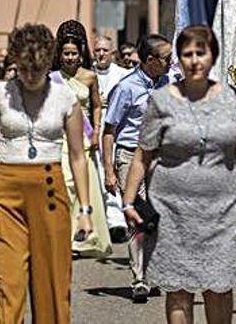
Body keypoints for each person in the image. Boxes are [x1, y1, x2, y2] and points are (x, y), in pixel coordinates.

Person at [121, 25, 236, 324]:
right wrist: (127, 202)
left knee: (219, 286)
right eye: (187, 54)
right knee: (178, 289)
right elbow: (143, 154)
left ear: (212, 56)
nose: (194, 60)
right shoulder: (161, 100)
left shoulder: (231, 98)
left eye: (200, 53)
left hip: (220, 210)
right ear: (179, 59)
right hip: (172, 209)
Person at [0, 23, 94, 323]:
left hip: (50, 188)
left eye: (37, 69)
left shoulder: (65, 98)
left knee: (52, 285)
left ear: (48, 61)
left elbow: (78, 156)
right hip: (6, 192)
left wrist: (85, 209)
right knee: (7, 284)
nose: (31, 76)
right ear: (16, 63)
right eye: (24, 69)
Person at [103, 33, 172, 303]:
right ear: (151, 60)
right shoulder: (127, 87)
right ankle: (139, 279)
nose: (170, 63)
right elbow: (109, 130)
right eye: (166, 59)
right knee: (138, 216)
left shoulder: (168, 83)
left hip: (161, 156)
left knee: (159, 215)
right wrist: (109, 170)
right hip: (131, 156)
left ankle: (153, 272)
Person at [53, 20, 112, 258]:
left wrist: (96, 130)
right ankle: (63, 236)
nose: (69, 58)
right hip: (59, 139)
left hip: (84, 140)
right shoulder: (52, 78)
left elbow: (97, 106)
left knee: (81, 187)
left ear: (81, 55)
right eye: (66, 53)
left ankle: (81, 239)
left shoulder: (89, 77)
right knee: (64, 186)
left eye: (73, 54)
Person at [92, 35, 130, 240]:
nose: (101, 54)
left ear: (112, 53)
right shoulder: (87, 74)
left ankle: (120, 220)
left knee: (116, 170)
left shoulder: (124, 74)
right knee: (99, 173)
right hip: (94, 128)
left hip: (117, 127)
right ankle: (107, 220)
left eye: (105, 50)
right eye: (97, 50)